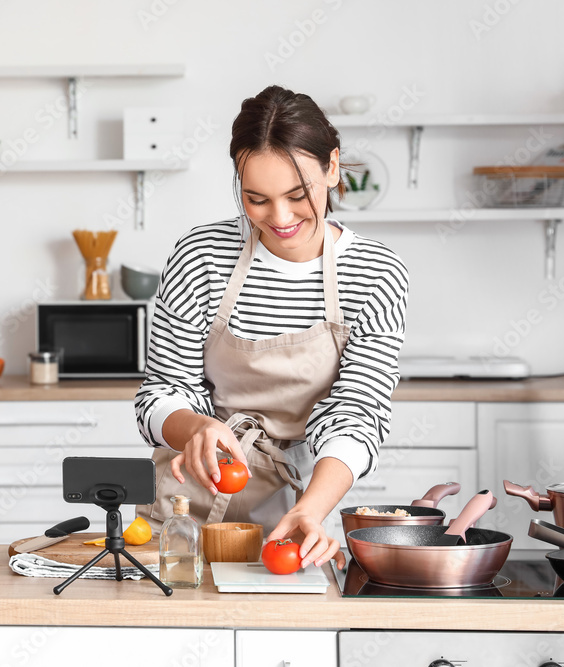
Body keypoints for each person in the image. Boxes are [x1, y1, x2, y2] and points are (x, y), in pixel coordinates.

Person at [134, 85, 409, 570]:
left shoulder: (376, 273)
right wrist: (196, 426)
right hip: (184, 509)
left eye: (298, 195)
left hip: (298, 508)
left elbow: (358, 413)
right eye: (256, 199)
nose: (279, 219)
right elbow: (161, 392)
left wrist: (313, 508)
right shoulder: (201, 255)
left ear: (333, 166)